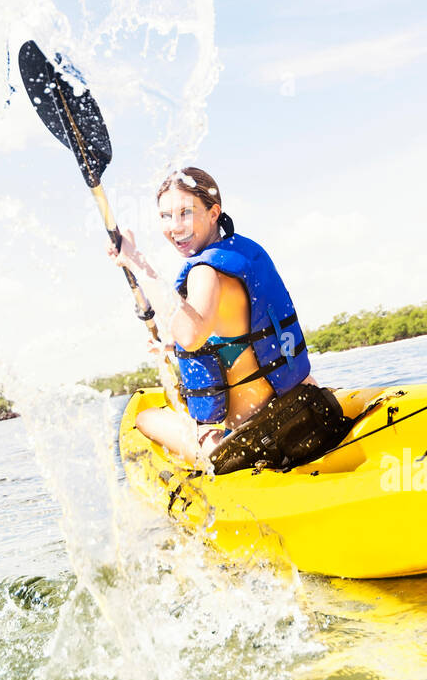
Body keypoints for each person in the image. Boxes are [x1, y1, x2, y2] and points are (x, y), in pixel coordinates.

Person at [108, 167, 348, 473]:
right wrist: (172, 346)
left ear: (213, 213)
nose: (174, 226)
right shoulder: (245, 253)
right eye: (165, 216)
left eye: (185, 212)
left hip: (253, 441)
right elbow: (238, 335)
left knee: (143, 417)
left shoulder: (205, 271)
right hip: (309, 408)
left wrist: (137, 263)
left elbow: (192, 335)